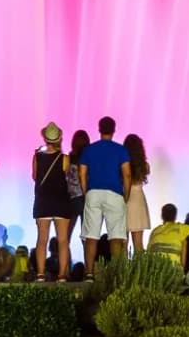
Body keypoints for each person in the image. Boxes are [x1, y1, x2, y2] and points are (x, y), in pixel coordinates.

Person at [77, 117, 132, 269]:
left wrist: (85, 191)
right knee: (116, 236)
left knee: (91, 236)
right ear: (114, 130)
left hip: (93, 193)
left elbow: (82, 173)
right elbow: (127, 175)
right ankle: (116, 272)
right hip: (115, 193)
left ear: (99, 129)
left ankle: (89, 273)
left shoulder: (89, 149)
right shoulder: (121, 150)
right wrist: (125, 195)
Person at [30, 123, 76, 283]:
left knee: (42, 239)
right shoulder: (64, 158)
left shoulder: (37, 157)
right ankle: (62, 275)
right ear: (59, 138)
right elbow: (66, 174)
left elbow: (35, 176)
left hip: (43, 200)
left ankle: (40, 274)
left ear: (45, 139)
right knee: (63, 240)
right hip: (61, 200)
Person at [122, 134, 152, 254]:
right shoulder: (144, 165)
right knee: (138, 243)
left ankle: (122, 270)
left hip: (125, 198)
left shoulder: (122, 165)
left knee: (123, 242)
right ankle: (139, 270)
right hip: (139, 200)